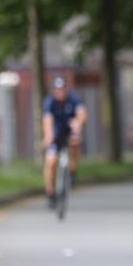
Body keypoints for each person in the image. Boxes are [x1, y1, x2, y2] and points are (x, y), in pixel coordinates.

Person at [43, 76, 87, 208]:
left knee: (75, 142)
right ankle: (50, 193)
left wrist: (78, 123)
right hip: (56, 134)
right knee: (51, 162)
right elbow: (47, 120)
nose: (60, 92)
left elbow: (82, 113)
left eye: (62, 89)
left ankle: (73, 172)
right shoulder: (50, 102)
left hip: (70, 131)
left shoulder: (73, 99)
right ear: (54, 91)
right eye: (57, 90)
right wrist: (48, 134)